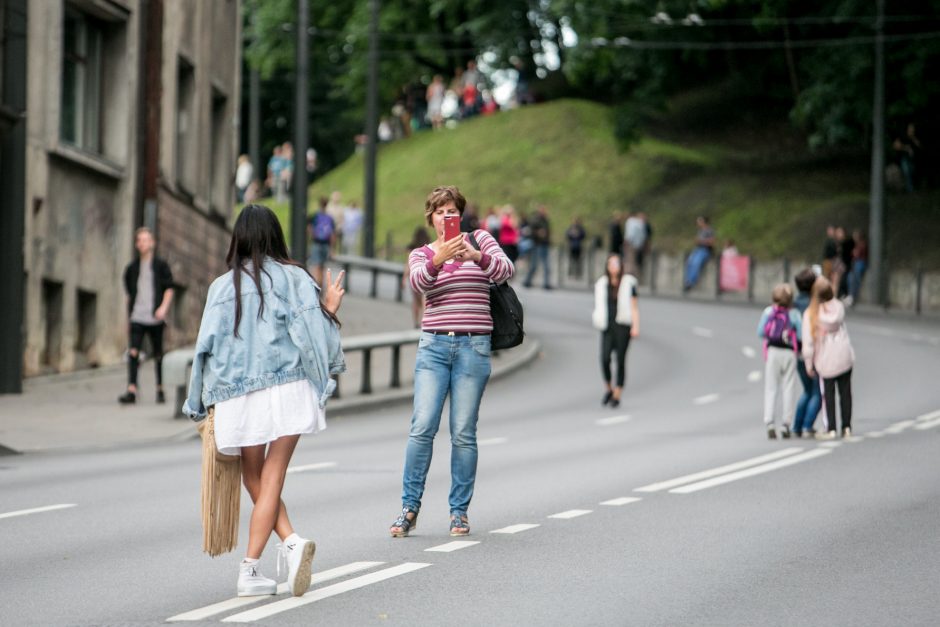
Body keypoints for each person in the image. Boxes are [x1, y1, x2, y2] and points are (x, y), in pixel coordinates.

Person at [183, 204, 346, 598]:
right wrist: (330, 312)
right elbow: (312, 335)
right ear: (275, 236)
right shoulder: (295, 278)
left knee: (254, 477)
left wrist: (195, 403)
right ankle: (276, 553)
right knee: (272, 476)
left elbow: (203, 350)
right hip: (289, 389)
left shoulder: (221, 288)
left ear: (237, 238)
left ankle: (262, 564)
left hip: (238, 395)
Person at [389, 186, 513, 538]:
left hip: (474, 348)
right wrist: (438, 258)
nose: (446, 215)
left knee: (462, 432)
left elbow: (506, 270)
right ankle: (409, 508)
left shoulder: (482, 241)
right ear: (430, 218)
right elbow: (417, 283)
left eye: (452, 210)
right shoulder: (422, 253)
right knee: (422, 426)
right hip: (434, 349)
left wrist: (476, 256)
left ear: (461, 215)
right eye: (440, 211)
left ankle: (459, 513)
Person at [119, 227, 174, 405]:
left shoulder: (160, 266)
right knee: (133, 352)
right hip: (137, 316)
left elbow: (169, 288)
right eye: (139, 240)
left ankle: (160, 388)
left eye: (146, 239)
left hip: (155, 317)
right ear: (136, 244)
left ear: (152, 243)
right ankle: (132, 389)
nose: (142, 243)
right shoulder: (131, 269)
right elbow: (129, 295)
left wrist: (163, 309)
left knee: (158, 353)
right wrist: (128, 319)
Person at [802, 276, 855, 439]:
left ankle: (830, 428)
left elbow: (809, 343)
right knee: (846, 393)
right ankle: (846, 427)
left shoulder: (811, 314)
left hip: (825, 360)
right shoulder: (839, 307)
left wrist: (809, 363)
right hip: (844, 355)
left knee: (828, 395)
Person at [593, 254, 640, 409]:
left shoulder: (629, 283)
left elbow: (634, 306)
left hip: (623, 325)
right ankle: (609, 388)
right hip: (607, 325)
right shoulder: (602, 284)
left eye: (616, 263)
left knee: (620, 359)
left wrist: (635, 326)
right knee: (605, 358)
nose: (613, 267)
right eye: (610, 264)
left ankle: (617, 393)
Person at [756, 283, 802, 439]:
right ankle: (786, 424)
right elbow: (801, 336)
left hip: (773, 352)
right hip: (789, 353)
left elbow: (761, 331)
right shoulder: (794, 314)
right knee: (788, 387)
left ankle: (769, 421)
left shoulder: (769, 312)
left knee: (771, 388)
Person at [792, 269, 822, 438]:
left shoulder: (793, 303)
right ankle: (807, 425)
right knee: (818, 392)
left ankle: (796, 426)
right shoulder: (815, 304)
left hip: (799, 352)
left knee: (807, 390)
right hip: (814, 351)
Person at [405, 226, 432, 328]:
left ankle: (416, 321)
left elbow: (407, 265)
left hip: (413, 276)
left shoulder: (412, 247)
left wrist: (404, 278)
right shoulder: (428, 247)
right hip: (424, 275)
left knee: (415, 301)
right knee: (423, 299)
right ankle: (423, 320)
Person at [307, 197, 336, 286]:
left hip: (316, 243)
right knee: (323, 268)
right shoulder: (330, 218)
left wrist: (310, 240)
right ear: (327, 205)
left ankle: (317, 286)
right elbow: (332, 235)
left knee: (316, 267)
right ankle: (321, 285)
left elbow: (309, 229)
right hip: (326, 245)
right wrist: (332, 250)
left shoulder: (315, 216)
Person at [523, 204, 552, 289]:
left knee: (546, 265)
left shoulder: (545, 220)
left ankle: (546, 283)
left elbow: (547, 232)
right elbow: (531, 232)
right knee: (534, 265)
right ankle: (527, 281)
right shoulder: (535, 219)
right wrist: (538, 233)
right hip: (537, 244)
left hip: (544, 244)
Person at [683, 216, 715, 291]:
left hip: (705, 250)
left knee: (696, 263)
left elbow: (712, 242)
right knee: (689, 262)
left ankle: (691, 282)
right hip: (698, 249)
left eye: (700, 221)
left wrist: (702, 241)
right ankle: (687, 280)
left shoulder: (709, 230)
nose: (698, 223)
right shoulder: (700, 231)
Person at [893, 122, 921, 193]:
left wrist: (914, 140)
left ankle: (911, 187)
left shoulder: (915, 138)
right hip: (904, 158)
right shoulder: (903, 137)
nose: (912, 130)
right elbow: (896, 145)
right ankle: (910, 189)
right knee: (907, 172)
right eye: (910, 128)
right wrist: (906, 148)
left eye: (913, 129)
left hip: (913, 160)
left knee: (912, 172)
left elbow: (919, 147)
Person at [847, 230, 868, 306]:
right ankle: (851, 295)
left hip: (860, 262)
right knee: (850, 277)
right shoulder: (855, 244)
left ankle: (853, 296)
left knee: (855, 278)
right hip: (856, 263)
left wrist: (854, 252)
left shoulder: (862, 244)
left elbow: (856, 254)